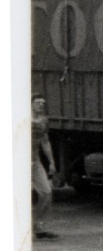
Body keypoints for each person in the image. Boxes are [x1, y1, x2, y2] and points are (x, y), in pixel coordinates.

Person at [30, 95, 57, 240]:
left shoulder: (43, 121)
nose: (41, 105)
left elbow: (45, 142)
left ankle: (38, 226)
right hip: (19, 161)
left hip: (34, 161)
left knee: (46, 192)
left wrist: (52, 162)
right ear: (30, 104)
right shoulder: (21, 119)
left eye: (43, 103)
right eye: (37, 102)